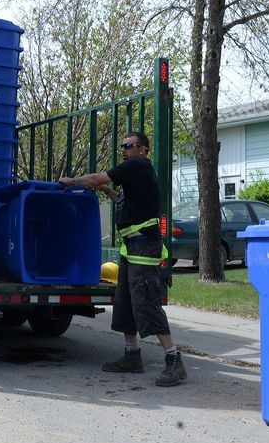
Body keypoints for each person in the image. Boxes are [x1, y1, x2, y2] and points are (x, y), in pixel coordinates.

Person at [59, 131, 187, 387]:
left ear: (142, 149)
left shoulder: (138, 166)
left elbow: (95, 177)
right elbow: (123, 200)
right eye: (122, 147)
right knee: (125, 300)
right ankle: (131, 355)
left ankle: (174, 359)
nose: (124, 150)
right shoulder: (134, 176)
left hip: (144, 246)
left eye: (128, 146)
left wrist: (72, 181)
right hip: (132, 247)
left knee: (146, 300)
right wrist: (108, 190)